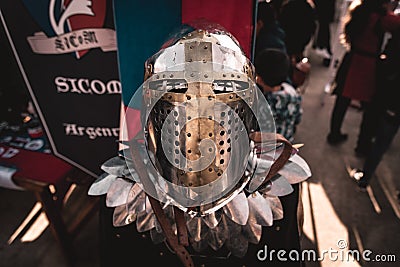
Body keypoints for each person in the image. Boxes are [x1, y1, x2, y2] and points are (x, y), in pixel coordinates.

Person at [326, 0, 400, 145]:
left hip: (352, 58)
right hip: (369, 64)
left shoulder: (359, 10)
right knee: (370, 107)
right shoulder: (382, 17)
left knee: (342, 101)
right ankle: (363, 142)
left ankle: (334, 134)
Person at [255, 48, 302, 143]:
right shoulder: (293, 92)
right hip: (287, 144)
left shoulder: (262, 104)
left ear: (259, 79)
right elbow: (298, 118)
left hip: (266, 149)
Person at [313, 0, 336, 66]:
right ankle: (325, 50)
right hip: (325, 6)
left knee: (323, 26)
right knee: (324, 26)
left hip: (323, 6)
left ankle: (325, 49)